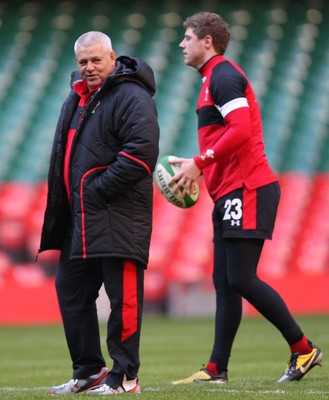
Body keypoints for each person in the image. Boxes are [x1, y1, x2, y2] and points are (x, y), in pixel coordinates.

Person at [169, 12, 323, 385]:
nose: (181, 44)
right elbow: (227, 135)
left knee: (239, 277)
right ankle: (215, 369)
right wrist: (198, 165)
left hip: (248, 187)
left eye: (187, 37)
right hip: (230, 190)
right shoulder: (211, 79)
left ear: (207, 41)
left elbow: (240, 130)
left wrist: (199, 161)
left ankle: (303, 348)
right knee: (224, 281)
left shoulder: (223, 75)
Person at [37, 31, 159, 395]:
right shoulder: (75, 98)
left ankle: (125, 378)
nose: (89, 68)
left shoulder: (131, 95)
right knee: (70, 291)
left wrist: (96, 190)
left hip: (117, 215)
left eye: (95, 60)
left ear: (112, 57)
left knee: (123, 299)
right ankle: (89, 370)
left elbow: (141, 153)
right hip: (82, 220)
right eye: (82, 62)